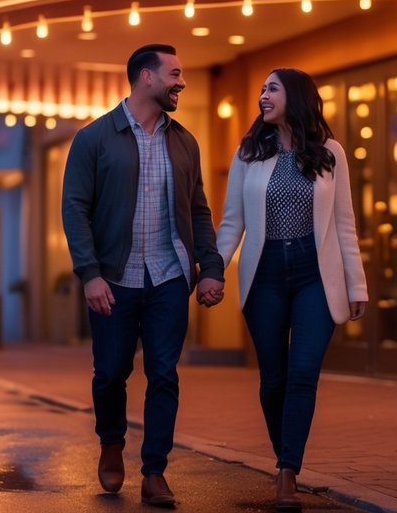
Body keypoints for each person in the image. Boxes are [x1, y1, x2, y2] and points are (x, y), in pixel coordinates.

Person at [62, 43, 225, 508]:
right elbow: (74, 209)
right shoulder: (94, 138)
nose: (181, 82)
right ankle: (112, 442)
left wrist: (209, 268)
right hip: (114, 278)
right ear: (146, 78)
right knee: (111, 372)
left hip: (169, 276)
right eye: (174, 73)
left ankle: (155, 471)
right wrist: (90, 274)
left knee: (164, 374)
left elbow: (198, 211)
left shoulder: (184, 141)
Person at [215, 68, 368, 511]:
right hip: (263, 274)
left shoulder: (331, 153)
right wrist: (211, 271)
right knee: (273, 378)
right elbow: (232, 224)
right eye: (261, 89)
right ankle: (285, 454)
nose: (263, 96)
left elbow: (344, 224)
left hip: (314, 274)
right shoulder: (248, 153)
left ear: (295, 96)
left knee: (303, 372)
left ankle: (287, 470)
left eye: (272, 89)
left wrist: (356, 283)